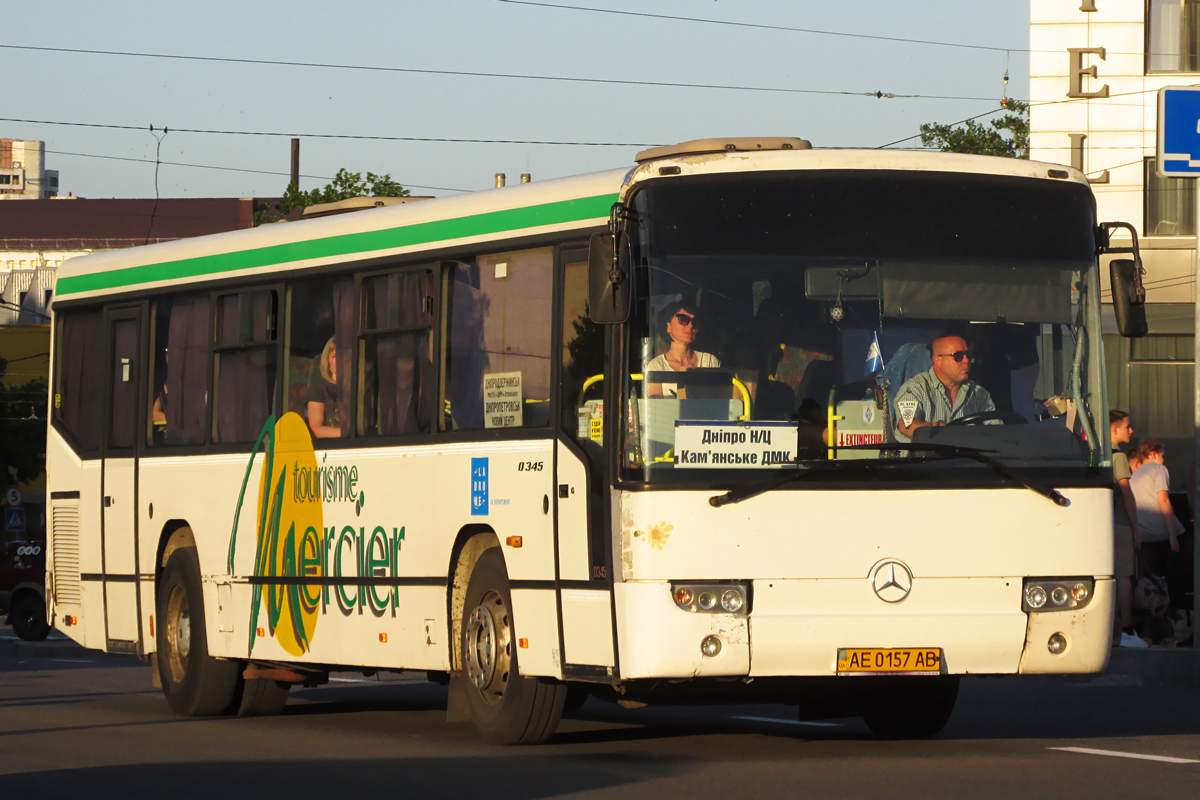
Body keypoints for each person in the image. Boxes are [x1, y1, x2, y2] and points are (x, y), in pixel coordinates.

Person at [891, 335, 995, 442]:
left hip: (967, 458)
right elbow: (906, 426)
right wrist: (937, 432)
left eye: (968, 355)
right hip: (925, 457)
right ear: (938, 361)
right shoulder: (915, 388)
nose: (966, 361)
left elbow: (997, 432)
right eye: (958, 356)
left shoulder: (979, 393)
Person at [1110, 411, 1147, 647]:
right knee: (1124, 576)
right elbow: (1126, 493)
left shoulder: (1096, 453)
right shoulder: (1119, 457)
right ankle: (1127, 631)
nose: (1131, 431)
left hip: (1104, 522)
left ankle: (1112, 631)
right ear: (1115, 430)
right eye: (1127, 427)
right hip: (1121, 522)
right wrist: (1135, 528)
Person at [1130, 438, 1183, 580]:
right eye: (1162, 456)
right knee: (1175, 577)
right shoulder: (1158, 469)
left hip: (1144, 536)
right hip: (1162, 535)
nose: (1163, 460)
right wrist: (1173, 534)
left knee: (1152, 580)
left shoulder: (1135, 475)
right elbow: (1163, 500)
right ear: (1154, 454)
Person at [646, 301, 721, 398]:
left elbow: (720, 400)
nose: (690, 326)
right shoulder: (656, 366)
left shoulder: (710, 361)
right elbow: (654, 407)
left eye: (695, 322)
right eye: (683, 319)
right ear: (668, 327)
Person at [306, 338, 342, 438]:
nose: (340, 360)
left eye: (343, 355)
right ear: (327, 361)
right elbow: (317, 429)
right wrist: (347, 434)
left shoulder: (360, 385)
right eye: (334, 356)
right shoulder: (319, 387)